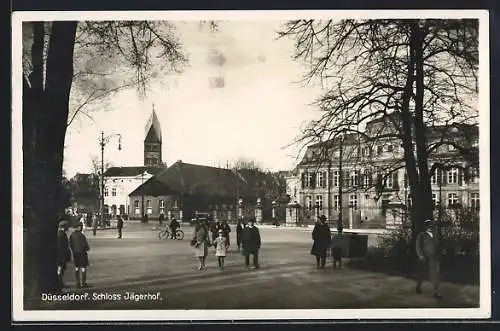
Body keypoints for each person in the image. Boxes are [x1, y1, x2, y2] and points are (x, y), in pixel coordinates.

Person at [415, 219, 442, 298]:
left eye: (432, 226)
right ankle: (418, 286)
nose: (430, 227)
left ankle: (436, 292)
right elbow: (418, 246)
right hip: (424, 257)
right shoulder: (421, 235)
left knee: (435, 275)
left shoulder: (435, 234)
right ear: (425, 227)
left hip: (433, 257)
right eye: (428, 226)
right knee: (422, 274)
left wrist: (439, 254)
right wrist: (421, 255)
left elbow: (438, 245)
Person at [69, 222, 90, 288]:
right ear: (79, 227)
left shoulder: (72, 235)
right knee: (83, 267)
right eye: (81, 226)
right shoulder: (81, 235)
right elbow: (85, 245)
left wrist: (73, 250)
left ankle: (77, 283)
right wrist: (87, 248)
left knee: (77, 267)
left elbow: (71, 244)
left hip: (75, 253)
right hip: (82, 253)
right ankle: (83, 282)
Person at [57, 220, 71, 288]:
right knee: (60, 269)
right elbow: (61, 246)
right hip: (61, 256)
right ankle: (59, 283)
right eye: (67, 226)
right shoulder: (60, 234)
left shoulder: (62, 233)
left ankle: (60, 283)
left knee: (62, 269)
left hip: (62, 255)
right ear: (63, 227)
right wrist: (62, 257)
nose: (67, 227)